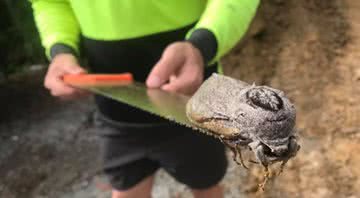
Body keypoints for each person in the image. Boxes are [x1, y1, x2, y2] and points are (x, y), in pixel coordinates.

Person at [30, 1, 259, 197]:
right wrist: (60, 49)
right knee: (126, 189)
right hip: (116, 112)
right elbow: (50, 3)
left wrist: (202, 45)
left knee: (207, 185)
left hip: (193, 105)